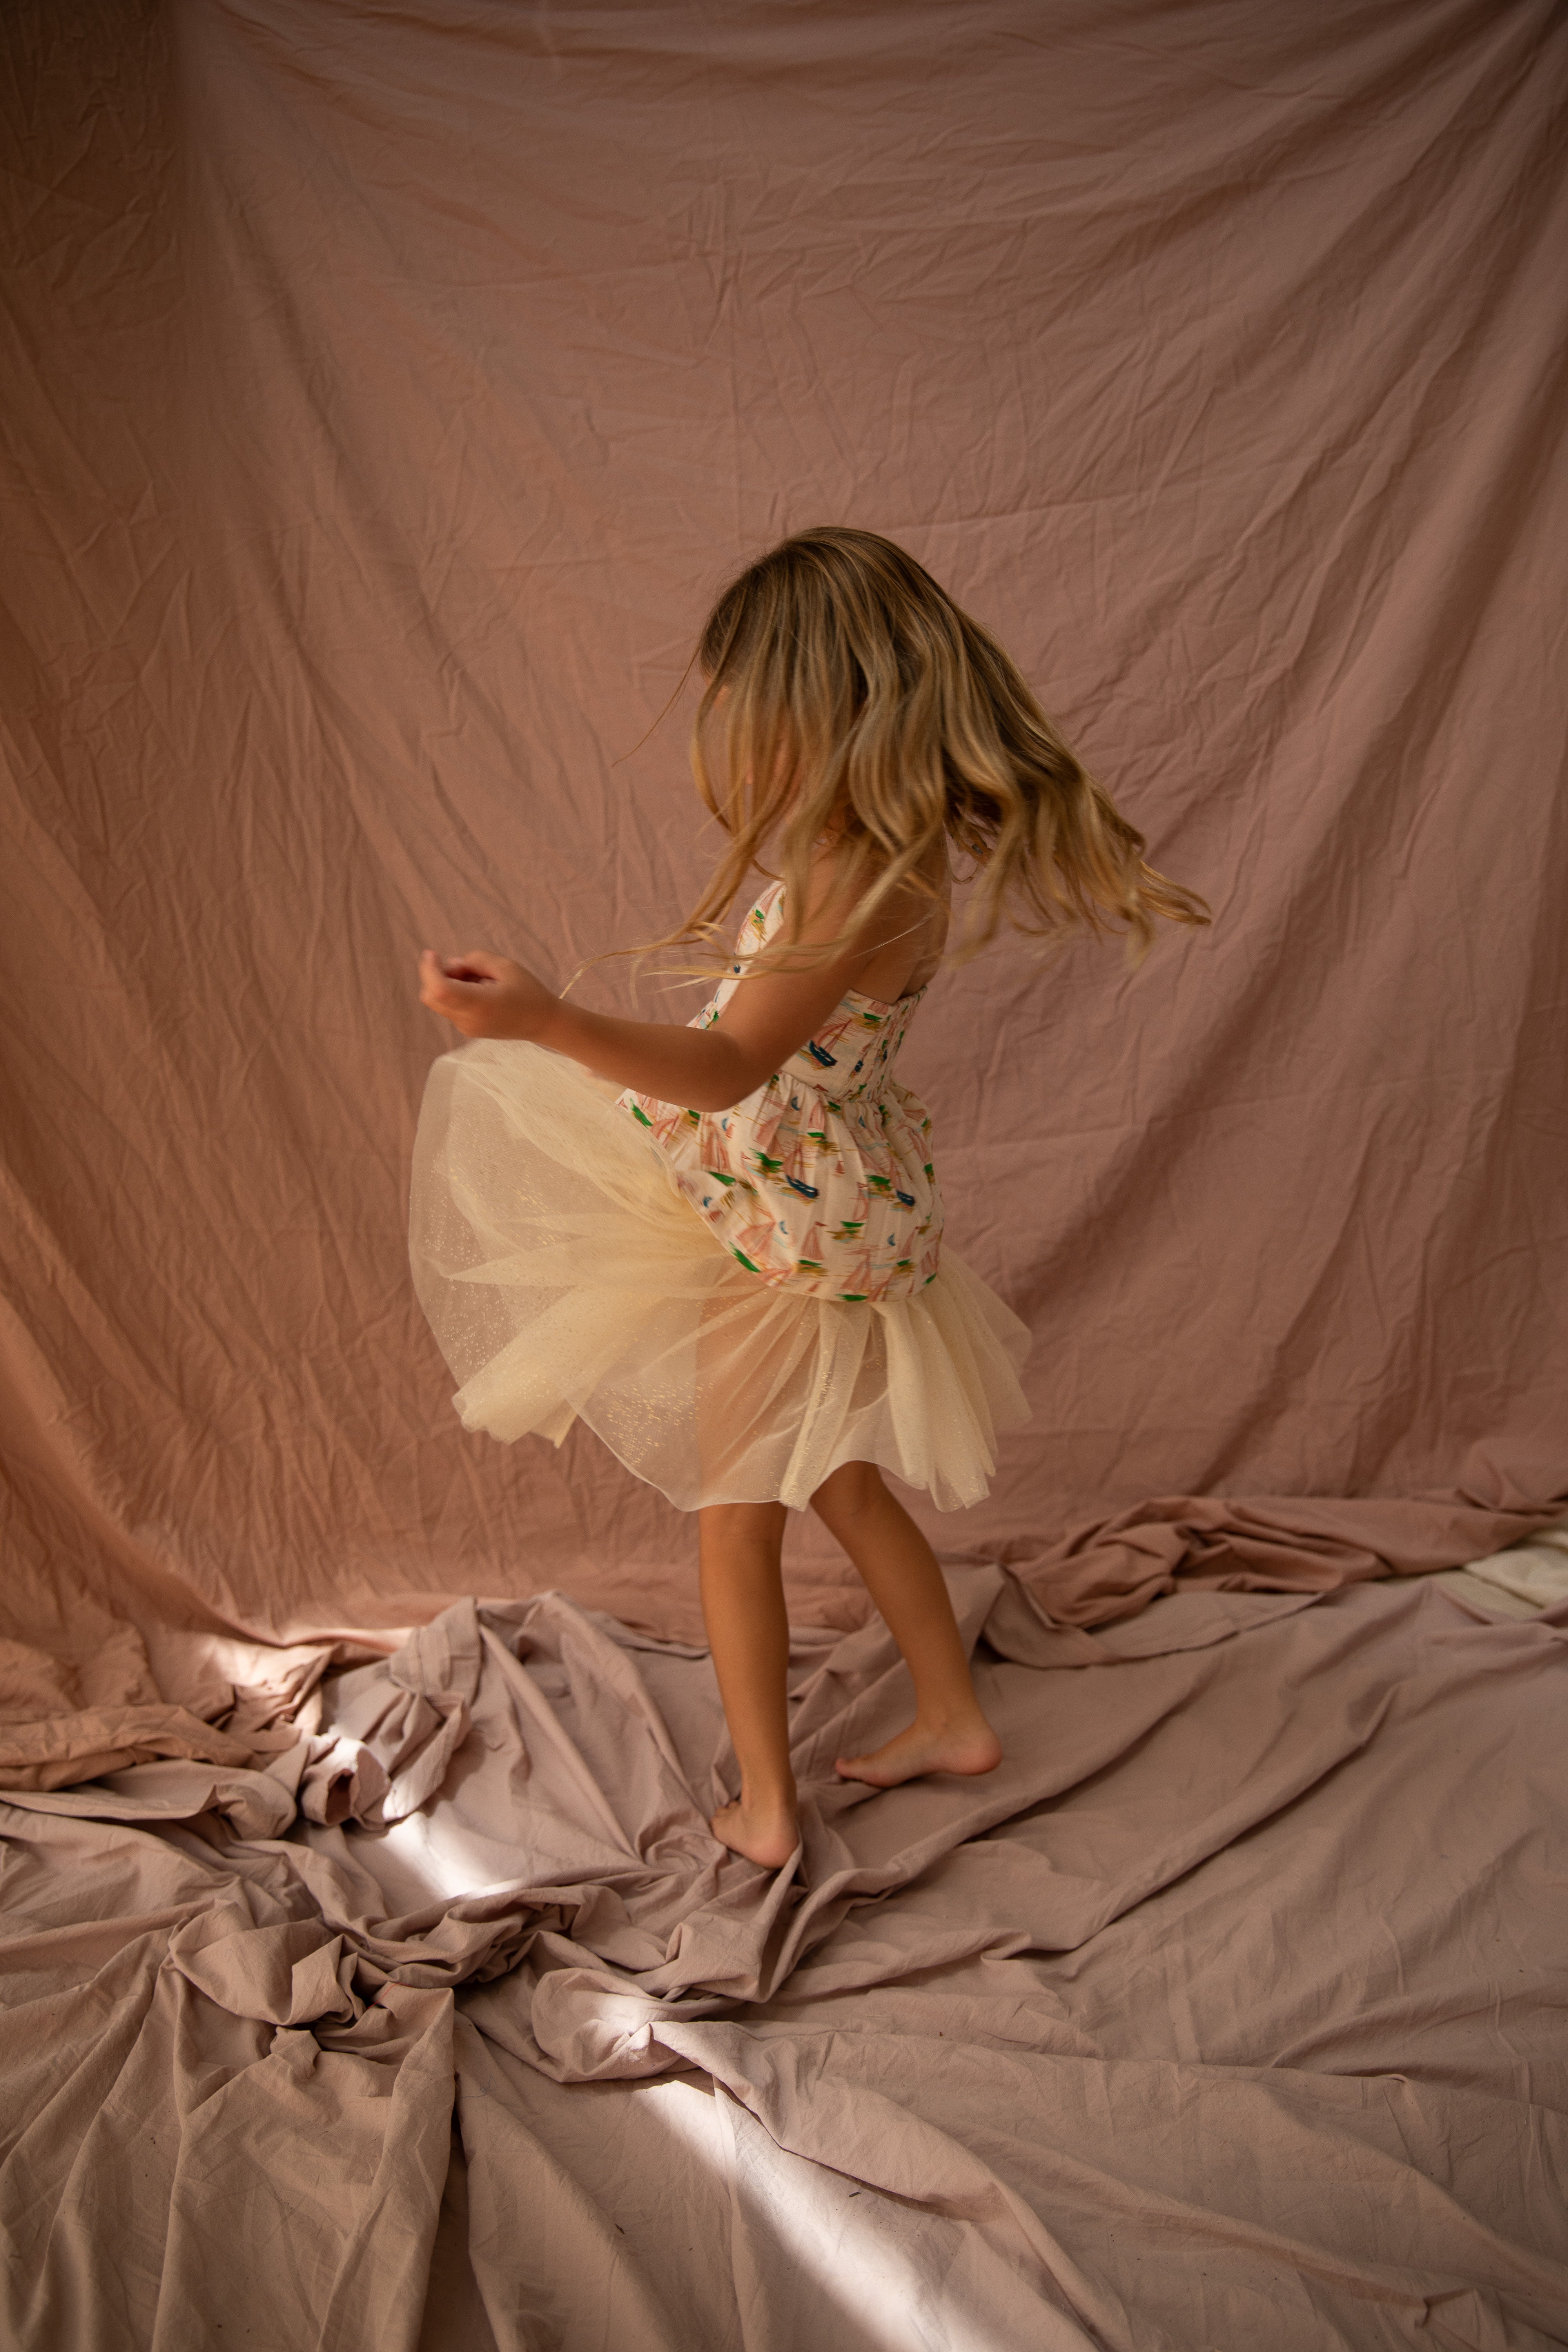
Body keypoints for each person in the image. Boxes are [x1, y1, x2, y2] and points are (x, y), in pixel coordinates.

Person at [410, 526, 1208, 1868]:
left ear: (829, 710)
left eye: (754, 719)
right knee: (840, 1483)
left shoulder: (870, 882)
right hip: (802, 1205)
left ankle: (768, 1810)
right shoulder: (865, 854)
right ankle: (953, 1712)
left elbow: (727, 1067)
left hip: (785, 1233)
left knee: (735, 1522)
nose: (739, 751)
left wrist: (550, 1023)